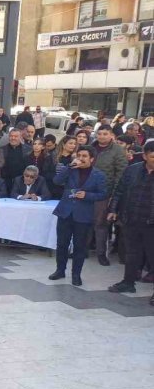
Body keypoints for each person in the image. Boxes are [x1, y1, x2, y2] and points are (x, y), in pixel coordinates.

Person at [49, 146, 107, 286]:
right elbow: (56, 181)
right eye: (79, 155)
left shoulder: (99, 175)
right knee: (62, 244)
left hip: (83, 215)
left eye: (84, 156)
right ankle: (60, 270)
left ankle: (76, 275)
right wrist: (69, 167)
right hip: (65, 212)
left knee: (80, 246)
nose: (81, 158)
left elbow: (103, 194)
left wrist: (87, 195)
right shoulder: (70, 170)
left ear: (91, 159)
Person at [107, 142, 154, 305]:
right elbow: (119, 190)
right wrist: (113, 209)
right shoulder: (132, 170)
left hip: (151, 223)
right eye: (153, 156)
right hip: (131, 219)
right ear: (145, 155)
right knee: (131, 253)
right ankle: (128, 282)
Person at [89, 124, 127, 266]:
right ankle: (82, 250)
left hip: (105, 193)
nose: (102, 136)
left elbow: (121, 174)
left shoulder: (117, 150)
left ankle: (101, 254)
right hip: (87, 192)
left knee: (101, 224)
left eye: (105, 134)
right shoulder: (90, 147)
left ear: (111, 135)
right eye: (99, 134)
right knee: (84, 222)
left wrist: (114, 194)